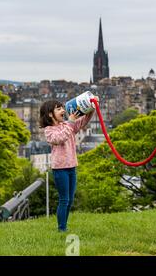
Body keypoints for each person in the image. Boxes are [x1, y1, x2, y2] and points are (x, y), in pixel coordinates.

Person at [39, 98, 97, 232]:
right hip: (60, 169)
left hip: (72, 166)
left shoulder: (67, 124)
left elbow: (84, 120)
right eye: (58, 109)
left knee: (70, 200)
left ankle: (64, 226)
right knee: (64, 199)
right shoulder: (49, 130)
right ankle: (62, 229)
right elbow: (59, 138)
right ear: (49, 114)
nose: (63, 111)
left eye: (62, 108)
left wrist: (92, 106)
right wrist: (70, 123)